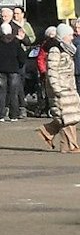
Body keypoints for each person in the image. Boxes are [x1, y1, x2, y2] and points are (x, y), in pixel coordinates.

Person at [38, 23, 80, 152]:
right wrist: (56, 88)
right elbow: (52, 71)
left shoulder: (68, 49)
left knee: (70, 117)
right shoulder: (55, 50)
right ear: (63, 36)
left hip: (69, 87)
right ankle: (70, 145)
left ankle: (47, 131)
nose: (72, 38)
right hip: (61, 87)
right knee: (66, 118)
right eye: (69, 35)